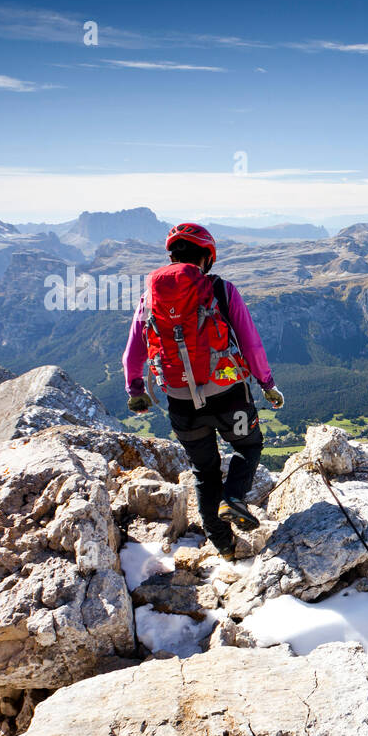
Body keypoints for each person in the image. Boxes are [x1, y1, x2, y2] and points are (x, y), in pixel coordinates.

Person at [122, 222, 284, 560]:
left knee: (205, 472)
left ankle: (224, 546)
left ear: (172, 256)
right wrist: (267, 384)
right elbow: (251, 344)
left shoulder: (149, 298)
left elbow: (133, 352)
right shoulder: (221, 290)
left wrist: (136, 389)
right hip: (229, 396)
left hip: (181, 403)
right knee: (248, 446)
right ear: (207, 257)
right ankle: (233, 499)